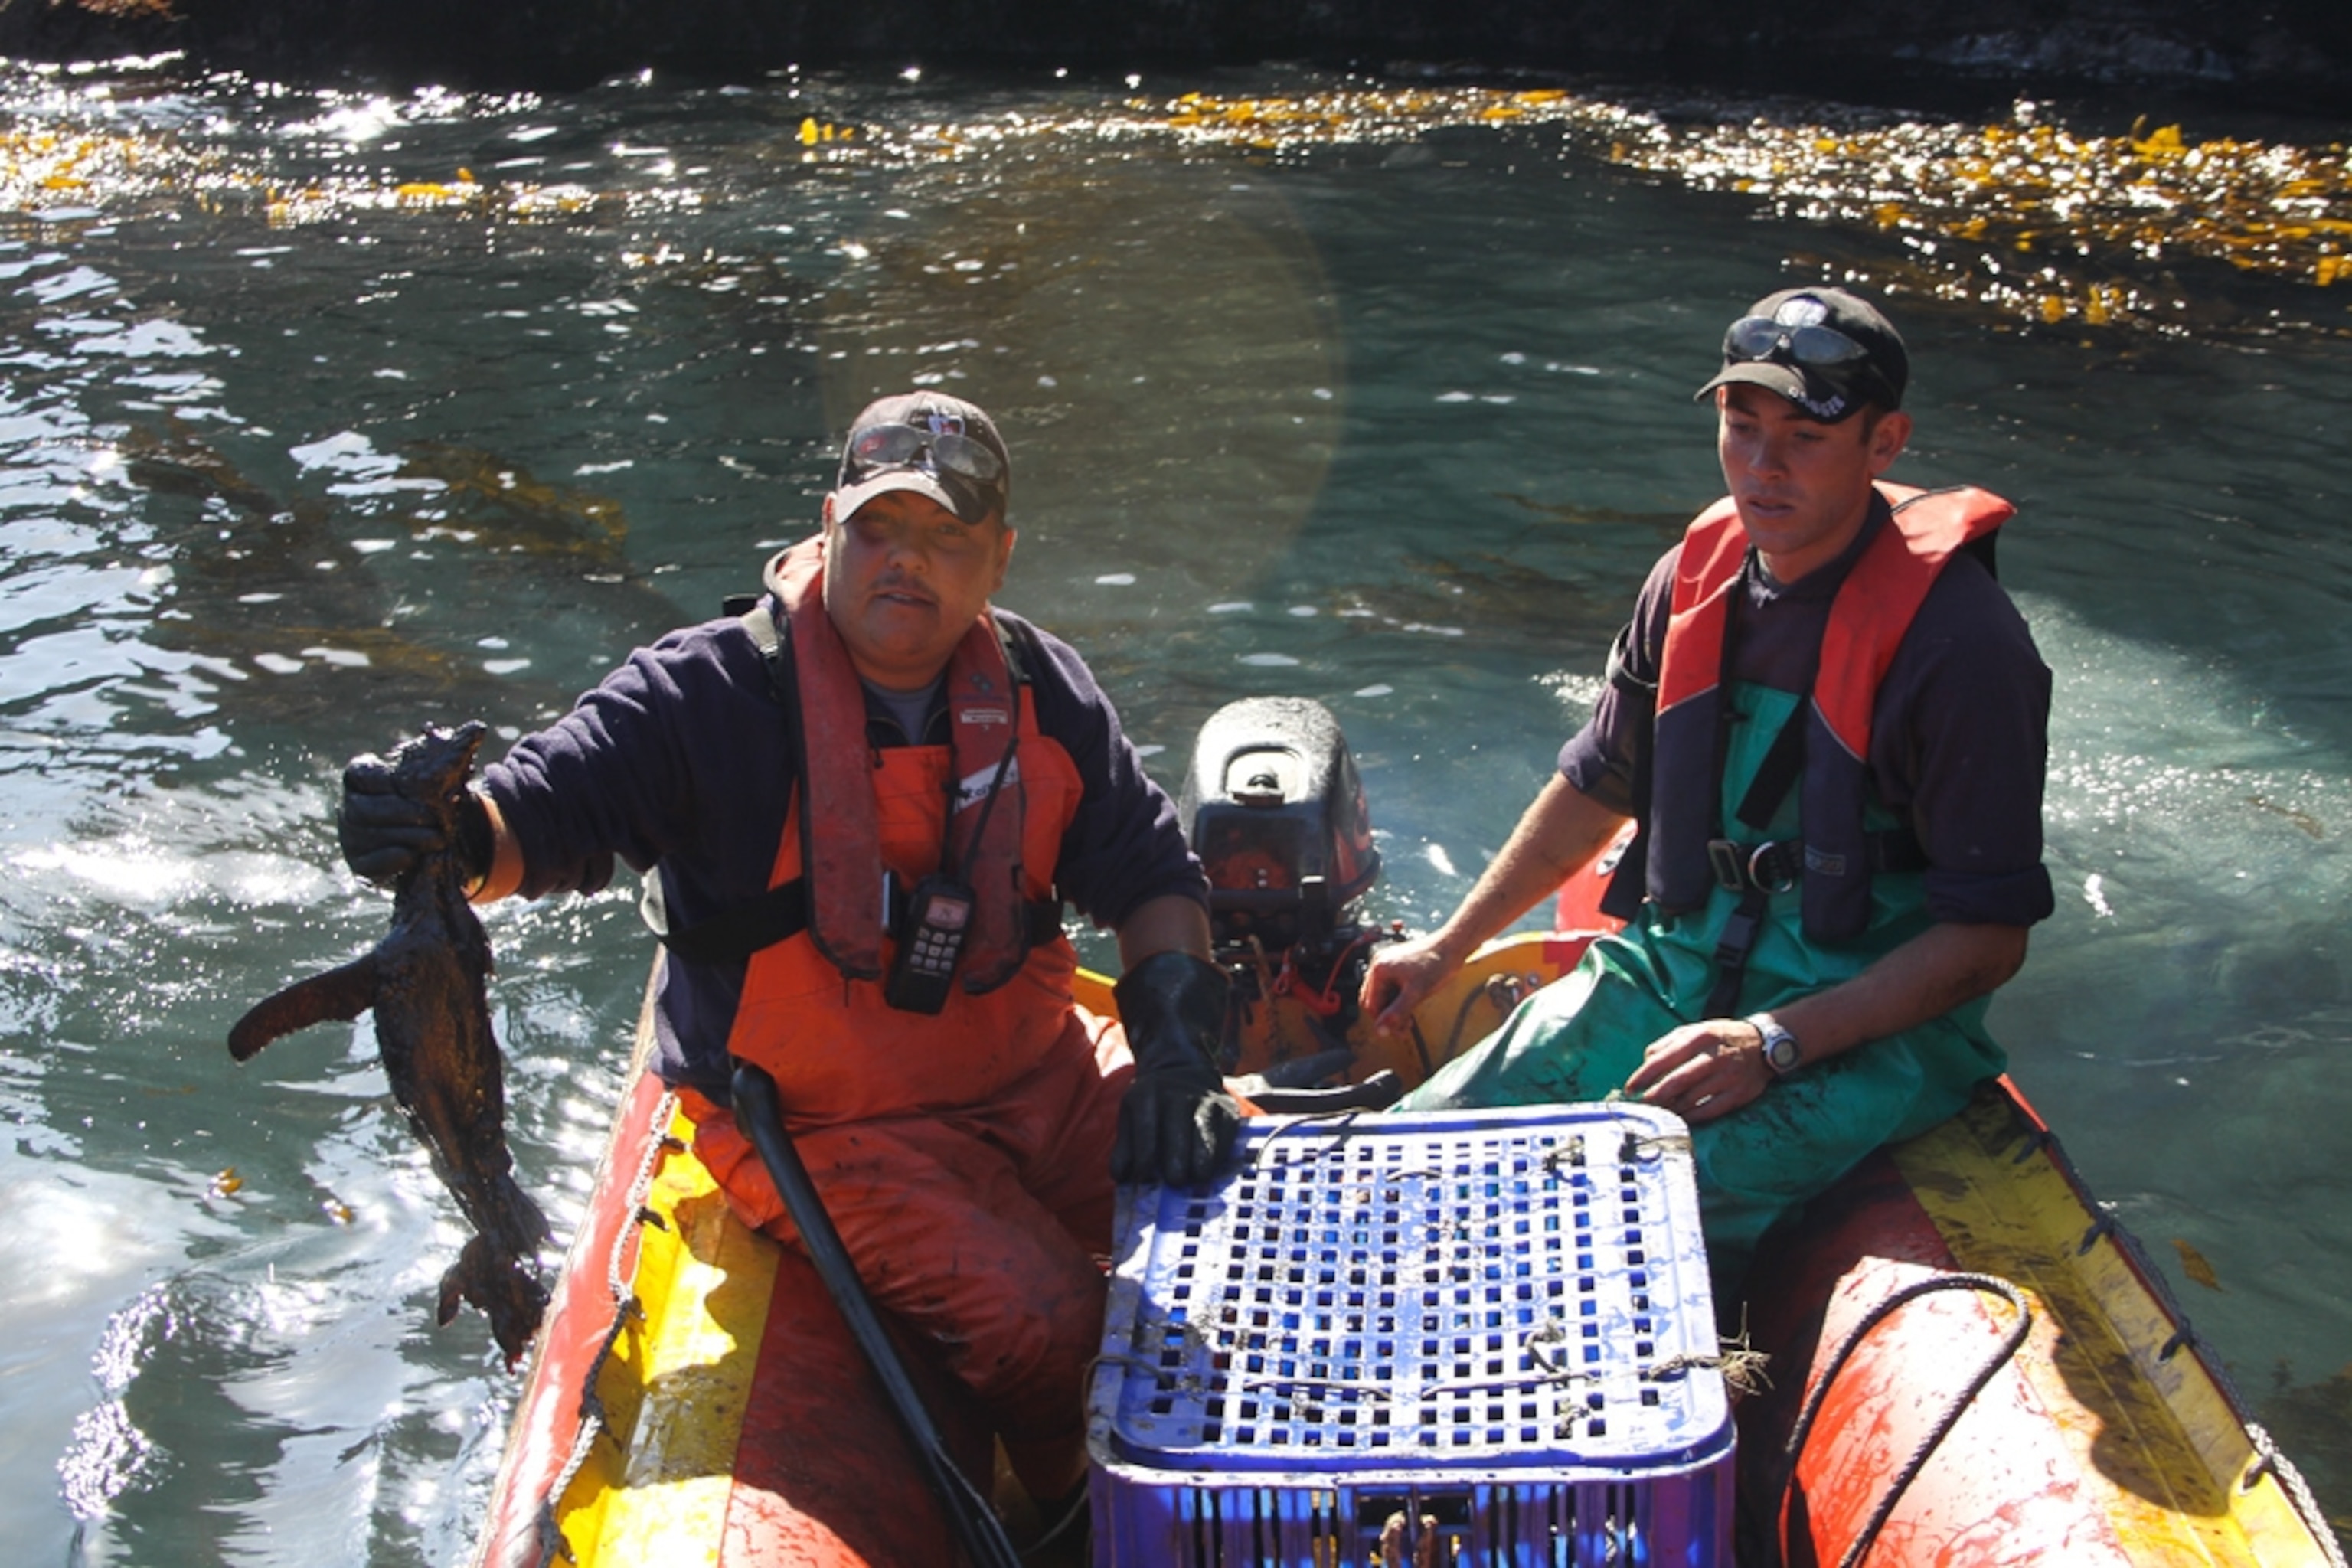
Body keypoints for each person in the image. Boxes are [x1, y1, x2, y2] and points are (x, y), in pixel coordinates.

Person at [338, 390, 1238, 1513]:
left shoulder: (1041, 686)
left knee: (1249, 1207)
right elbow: (531, 819)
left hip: (1037, 1076)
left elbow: (1153, 877)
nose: (906, 561)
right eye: (879, 527)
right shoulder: (704, 693)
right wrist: (440, 834)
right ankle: (1072, 1516)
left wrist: (1178, 1060)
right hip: (826, 1130)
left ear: (999, 558)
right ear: (829, 525)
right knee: (1049, 1324)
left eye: (946, 536)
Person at [1361, 286, 2053, 1304]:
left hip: (1864, 1025)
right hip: (1674, 967)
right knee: (1401, 1164)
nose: (1764, 467)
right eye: (1742, 426)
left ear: (1885, 441)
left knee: (1621, 1234)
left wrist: (1775, 1042)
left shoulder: (1964, 646)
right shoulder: (1692, 576)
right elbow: (1597, 785)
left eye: (1805, 437)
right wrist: (1445, 946)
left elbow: (1988, 941)